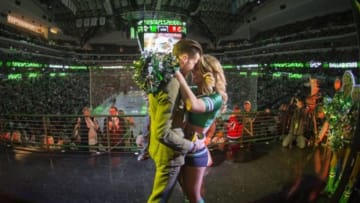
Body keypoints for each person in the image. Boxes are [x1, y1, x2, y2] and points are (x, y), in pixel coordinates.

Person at [146, 39, 204, 203]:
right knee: (159, 199)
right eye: (195, 62)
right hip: (169, 153)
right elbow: (162, 132)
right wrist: (192, 146)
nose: (195, 68)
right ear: (184, 58)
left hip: (161, 150)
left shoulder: (161, 74)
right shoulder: (173, 83)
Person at [174, 54, 228, 203]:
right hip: (184, 146)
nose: (193, 72)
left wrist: (178, 74)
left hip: (195, 152)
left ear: (208, 73)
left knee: (193, 196)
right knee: (186, 193)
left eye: (196, 69)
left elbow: (193, 105)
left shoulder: (216, 97)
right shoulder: (196, 91)